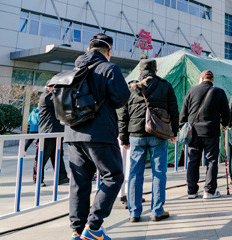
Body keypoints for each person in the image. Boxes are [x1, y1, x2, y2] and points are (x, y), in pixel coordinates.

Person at [49, 34, 130, 240]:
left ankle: (77, 230)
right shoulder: (109, 69)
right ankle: (94, 227)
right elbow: (121, 99)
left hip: (73, 134)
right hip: (100, 133)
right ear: (109, 51)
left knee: (79, 183)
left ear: (88, 49)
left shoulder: (74, 70)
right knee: (114, 176)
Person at [118, 59, 179, 223]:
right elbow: (174, 110)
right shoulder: (165, 85)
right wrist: (174, 132)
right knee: (159, 173)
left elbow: (123, 114)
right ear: (156, 71)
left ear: (139, 71)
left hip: (136, 134)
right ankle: (157, 211)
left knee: (135, 174)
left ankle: (134, 213)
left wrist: (123, 137)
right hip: (158, 133)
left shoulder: (130, 87)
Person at [179, 70, 229, 199]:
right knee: (211, 160)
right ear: (212, 80)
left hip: (193, 132)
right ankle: (209, 191)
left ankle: (191, 191)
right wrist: (225, 124)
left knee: (193, 160)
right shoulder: (219, 92)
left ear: (200, 79)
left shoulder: (191, 91)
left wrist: (181, 127)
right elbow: (225, 111)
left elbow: (183, 113)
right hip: (211, 131)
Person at [36, 95, 68, 187]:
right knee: (42, 156)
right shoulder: (47, 96)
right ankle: (38, 178)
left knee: (57, 156)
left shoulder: (53, 95)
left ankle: (61, 177)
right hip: (48, 131)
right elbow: (61, 101)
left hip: (57, 131)